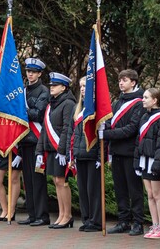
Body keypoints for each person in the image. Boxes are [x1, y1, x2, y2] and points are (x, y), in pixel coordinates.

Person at [103, 69, 145, 236]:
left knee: (134, 190)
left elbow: (131, 129)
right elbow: (110, 121)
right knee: (120, 189)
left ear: (133, 82)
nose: (121, 83)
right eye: (120, 80)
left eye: (124, 80)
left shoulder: (140, 102)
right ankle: (123, 221)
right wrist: (103, 128)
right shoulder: (117, 102)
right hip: (116, 151)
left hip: (130, 152)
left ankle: (138, 223)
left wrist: (106, 134)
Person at [35, 72, 76, 229]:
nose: (51, 88)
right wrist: (39, 151)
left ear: (63, 87)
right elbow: (45, 130)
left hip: (60, 150)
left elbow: (67, 128)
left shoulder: (68, 104)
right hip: (50, 149)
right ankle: (61, 214)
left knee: (62, 181)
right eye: (51, 85)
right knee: (56, 181)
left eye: (55, 86)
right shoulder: (51, 104)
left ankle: (68, 215)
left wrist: (62, 150)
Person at [134, 88, 160, 239]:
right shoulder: (144, 116)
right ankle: (155, 224)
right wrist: (137, 161)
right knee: (149, 195)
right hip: (145, 160)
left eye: (146, 97)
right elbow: (139, 141)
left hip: (155, 161)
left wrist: (158, 163)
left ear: (155, 100)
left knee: (157, 194)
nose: (142, 100)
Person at [66, 76, 102, 232]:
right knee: (82, 189)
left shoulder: (97, 108)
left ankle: (96, 221)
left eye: (85, 86)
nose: (82, 89)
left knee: (93, 190)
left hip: (92, 154)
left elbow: (101, 135)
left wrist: (101, 157)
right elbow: (72, 134)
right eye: (80, 86)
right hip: (79, 154)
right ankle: (86, 218)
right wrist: (71, 155)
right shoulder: (77, 108)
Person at [17, 58, 50, 226]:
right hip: (25, 140)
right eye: (28, 71)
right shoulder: (22, 91)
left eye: (33, 72)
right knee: (28, 181)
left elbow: (38, 114)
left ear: (39, 74)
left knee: (38, 180)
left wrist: (23, 109)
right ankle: (32, 213)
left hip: (37, 141)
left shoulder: (43, 91)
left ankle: (42, 215)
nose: (30, 74)